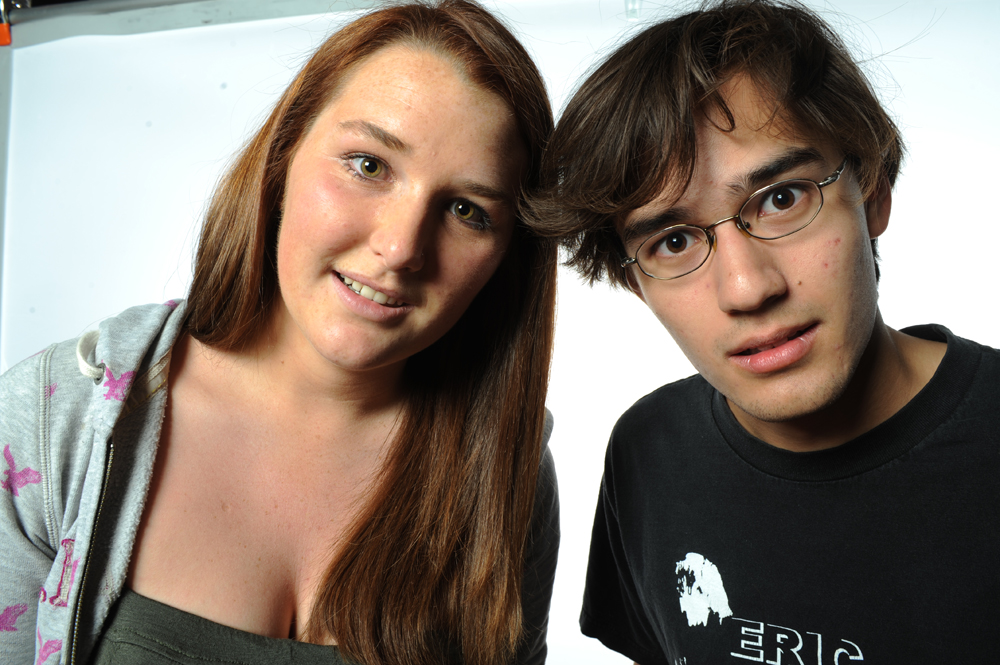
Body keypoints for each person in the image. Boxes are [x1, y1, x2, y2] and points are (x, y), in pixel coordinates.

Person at [0, 2, 559, 664]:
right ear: (284, 153)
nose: (401, 248)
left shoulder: (506, 474)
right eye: (369, 165)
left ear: (507, 256)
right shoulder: (57, 418)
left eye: (467, 210)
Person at [527, 1, 999, 663]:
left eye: (781, 198)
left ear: (873, 191)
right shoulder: (648, 450)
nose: (747, 288)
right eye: (673, 241)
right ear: (636, 283)